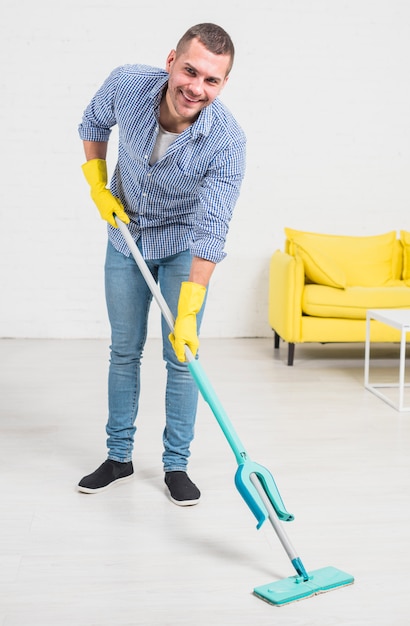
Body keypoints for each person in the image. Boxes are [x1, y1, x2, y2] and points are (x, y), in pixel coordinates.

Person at [77, 23, 246, 505]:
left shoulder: (227, 141)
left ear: (223, 84)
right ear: (172, 61)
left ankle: (177, 466)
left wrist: (189, 309)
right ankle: (118, 456)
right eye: (190, 71)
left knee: (182, 358)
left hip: (181, 248)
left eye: (211, 80)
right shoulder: (128, 84)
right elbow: (91, 123)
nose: (196, 87)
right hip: (125, 235)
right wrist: (97, 186)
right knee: (124, 350)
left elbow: (212, 229)